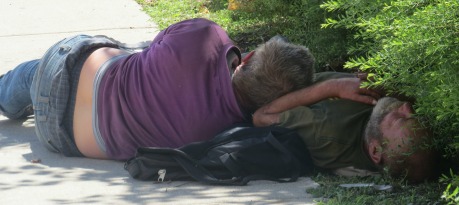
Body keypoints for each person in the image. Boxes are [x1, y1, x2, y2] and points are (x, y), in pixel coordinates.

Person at [0, 18, 376, 161]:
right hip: (64, 140)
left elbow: (157, 43)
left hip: (64, 71)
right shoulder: (232, 134)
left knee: (133, 52)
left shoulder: (207, 36)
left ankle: (8, 93)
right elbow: (266, 113)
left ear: (245, 59)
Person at [252, 71, 436, 183]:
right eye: (415, 116)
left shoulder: (325, 132)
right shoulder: (380, 122)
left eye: (399, 119)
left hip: (263, 83)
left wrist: (334, 87)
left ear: (375, 151)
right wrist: (389, 89)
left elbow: (260, 117)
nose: (407, 107)